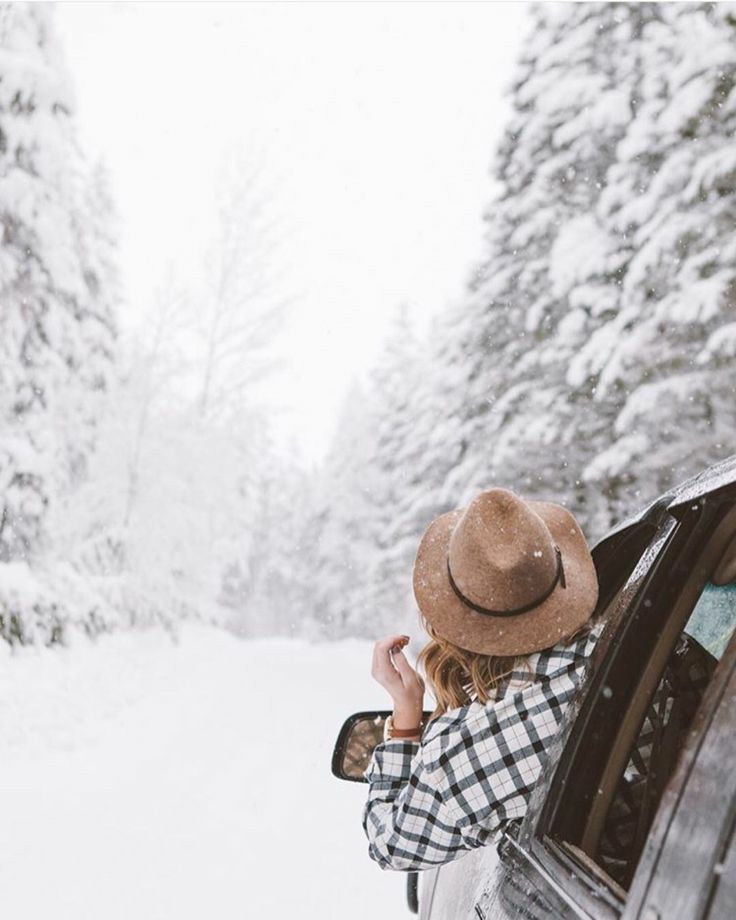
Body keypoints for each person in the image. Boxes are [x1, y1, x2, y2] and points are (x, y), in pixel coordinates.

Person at [362, 486, 601, 871]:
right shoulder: (648, 645)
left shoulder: (460, 755)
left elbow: (390, 845)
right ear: (559, 580)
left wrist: (406, 717)